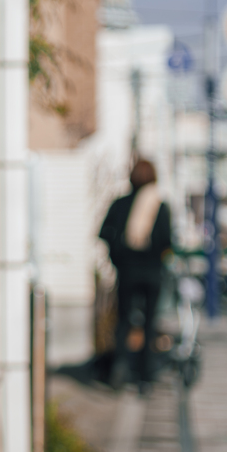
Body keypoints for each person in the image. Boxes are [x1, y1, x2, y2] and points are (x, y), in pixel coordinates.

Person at [99, 159, 172, 395]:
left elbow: (104, 233)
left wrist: (117, 257)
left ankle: (119, 370)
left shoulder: (121, 203)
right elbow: (168, 241)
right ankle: (145, 377)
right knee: (149, 324)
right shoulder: (160, 206)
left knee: (124, 322)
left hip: (127, 272)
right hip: (152, 273)